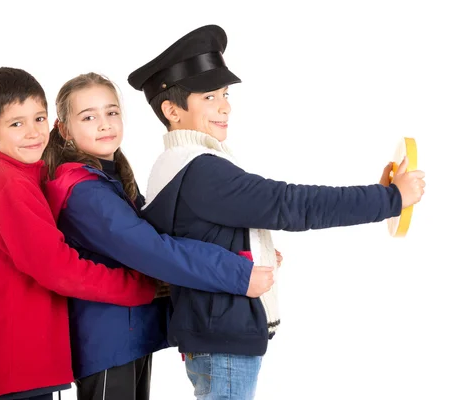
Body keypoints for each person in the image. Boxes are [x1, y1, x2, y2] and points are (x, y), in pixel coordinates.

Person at [127, 24, 426, 399]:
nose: (225, 106)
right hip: (224, 344)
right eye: (209, 96)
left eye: (225, 93)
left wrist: (257, 248)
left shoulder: (173, 165)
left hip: (214, 336)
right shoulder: (200, 169)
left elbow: (201, 236)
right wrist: (390, 200)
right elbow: (292, 205)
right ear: (172, 109)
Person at [0, 66, 273, 400]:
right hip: (26, 354)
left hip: (50, 352)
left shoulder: (48, 175)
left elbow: (154, 234)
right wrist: (148, 286)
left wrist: (238, 246)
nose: (32, 133)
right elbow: (62, 268)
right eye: (16, 124)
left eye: (38, 119)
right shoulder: (19, 184)